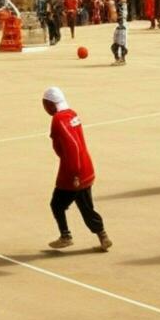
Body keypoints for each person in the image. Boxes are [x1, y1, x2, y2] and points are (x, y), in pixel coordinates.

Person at [42, 86, 110, 252]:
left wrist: (74, 173)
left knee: (57, 204)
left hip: (72, 171)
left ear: (50, 104)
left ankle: (65, 236)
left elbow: (72, 145)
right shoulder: (72, 113)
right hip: (86, 166)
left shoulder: (58, 119)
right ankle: (103, 236)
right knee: (86, 206)